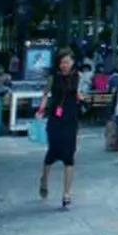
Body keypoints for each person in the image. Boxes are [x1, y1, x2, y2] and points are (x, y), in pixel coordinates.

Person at [37, 49, 83, 209]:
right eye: (62, 62)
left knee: (69, 155)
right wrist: (41, 108)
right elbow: (45, 93)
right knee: (53, 151)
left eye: (68, 62)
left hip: (70, 118)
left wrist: (81, 97)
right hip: (55, 118)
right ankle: (44, 179)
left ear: (73, 62)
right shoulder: (53, 77)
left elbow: (80, 93)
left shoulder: (78, 77)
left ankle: (67, 193)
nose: (65, 65)